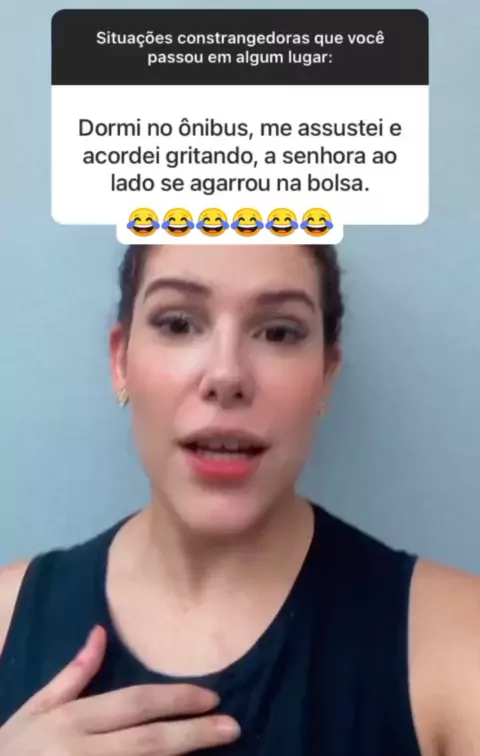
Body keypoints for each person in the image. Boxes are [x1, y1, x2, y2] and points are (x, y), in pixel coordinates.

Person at [0, 242, 479, 756]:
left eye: (279, 332)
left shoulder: (457, 639)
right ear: (121, 361)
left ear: (326, 375)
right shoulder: (6, 615)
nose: (226, 376)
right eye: (178, 324)